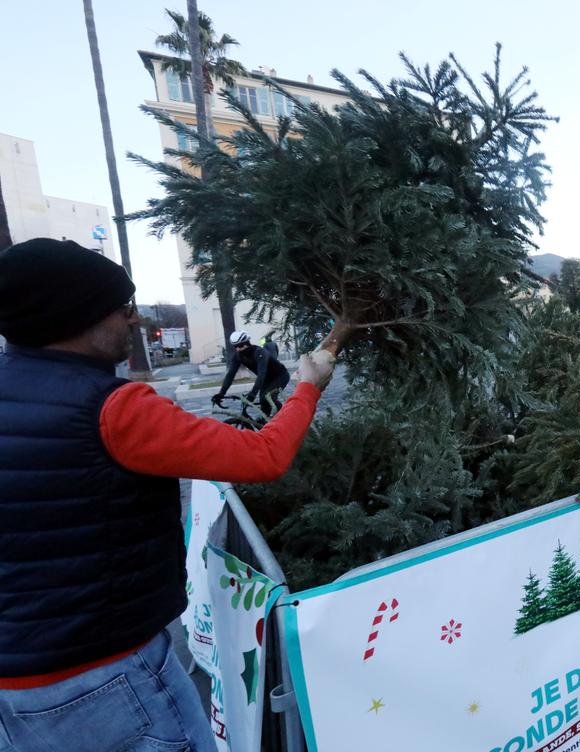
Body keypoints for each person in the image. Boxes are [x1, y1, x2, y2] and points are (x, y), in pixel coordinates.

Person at [0, 238, 335, 752]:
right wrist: (308, 386)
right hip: (108, 678)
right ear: (78, 317)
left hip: (17, 689)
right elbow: (263, 455)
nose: (133, 321)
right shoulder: (114, 409)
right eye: (122, 309)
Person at [213, 329, 290, 416]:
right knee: (263, 402)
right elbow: (230, 375)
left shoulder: (259, 352)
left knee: (267, 398)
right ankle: (268, 422)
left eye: (240, 345)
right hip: (267, 379)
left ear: (247, 343)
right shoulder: (238, 356)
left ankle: (286, 417)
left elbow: (262, 373)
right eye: (235, 346)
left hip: (280, 376)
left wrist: (253, 394)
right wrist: (221, 393)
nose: (238, 348)